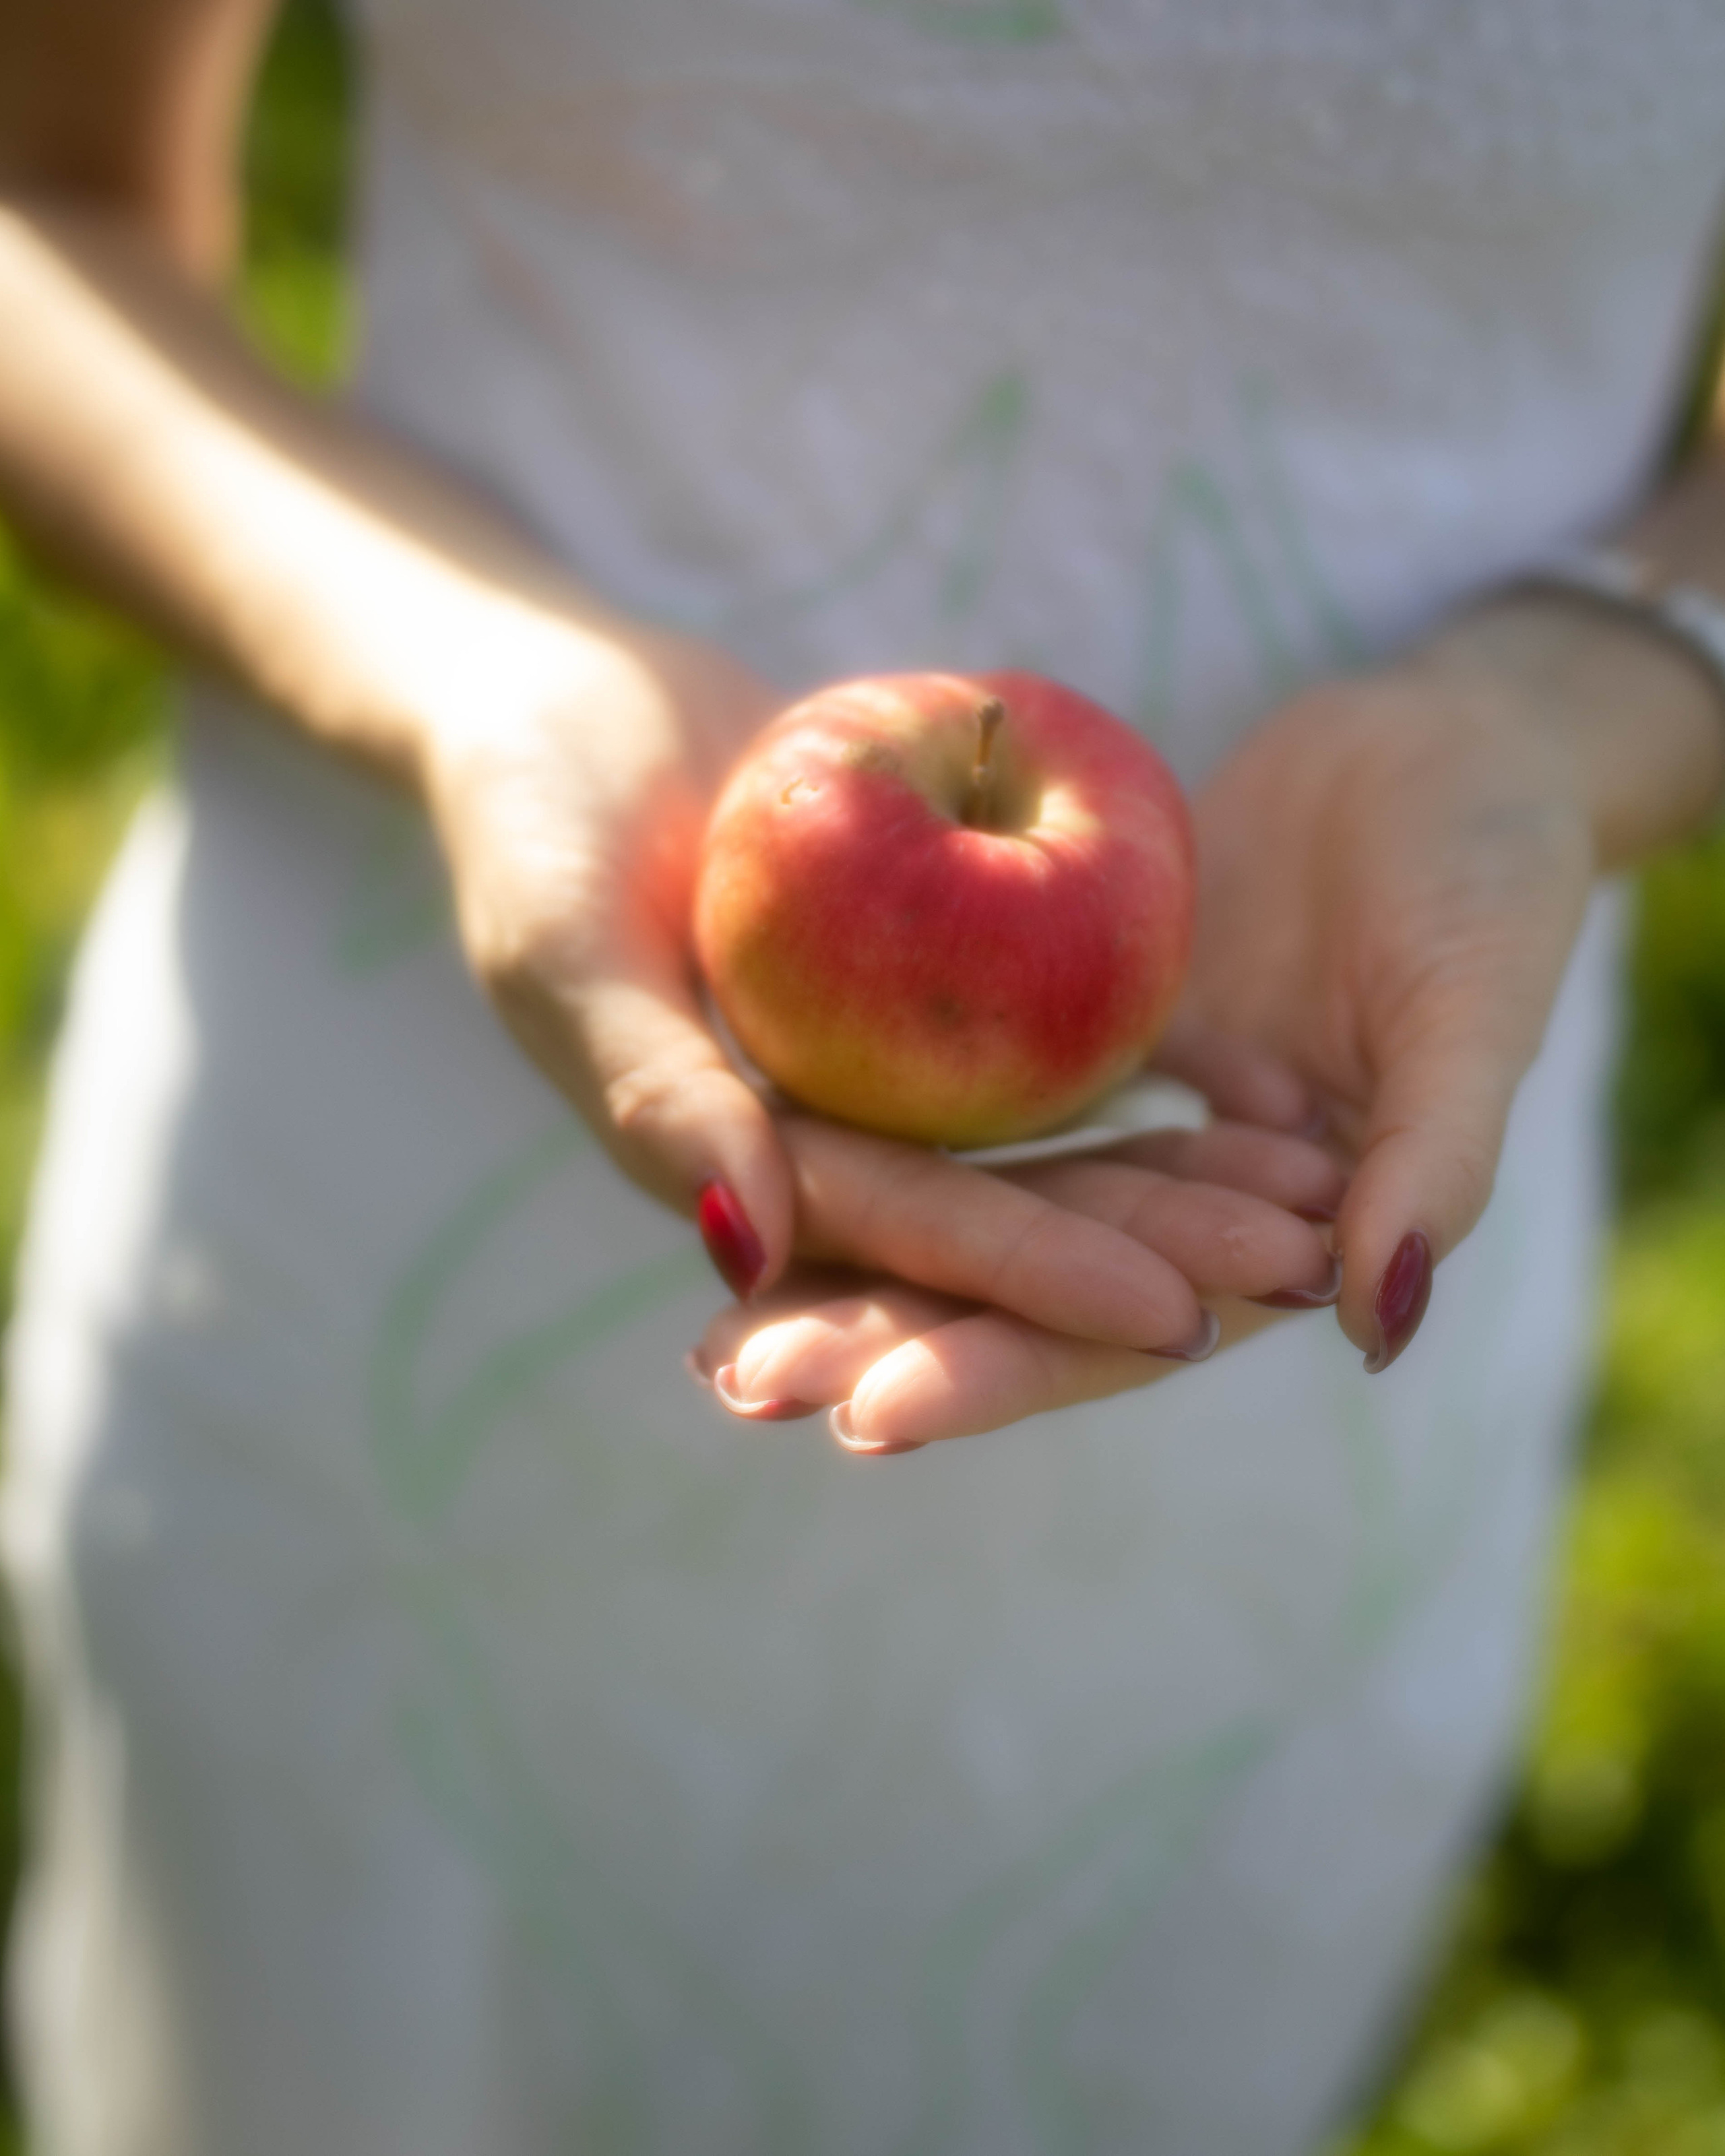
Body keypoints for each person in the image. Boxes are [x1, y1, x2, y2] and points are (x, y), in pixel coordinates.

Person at [2, 1, 1724, 2150]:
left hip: (1318, 1135)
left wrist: (1566, 711)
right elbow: (44, 207)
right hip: (402, 1138)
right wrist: (473, 683)